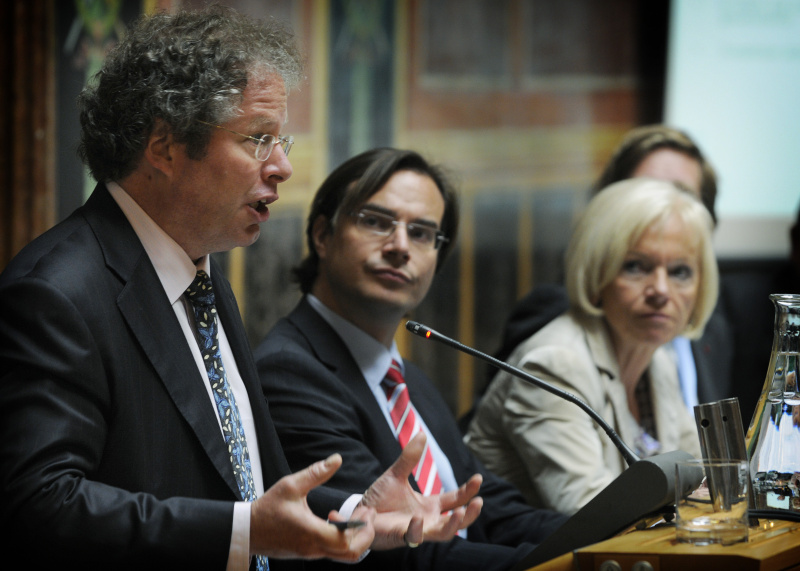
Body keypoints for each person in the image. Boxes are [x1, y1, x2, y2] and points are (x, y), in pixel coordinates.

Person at [0, 7, 483, 570]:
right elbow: (39, 503)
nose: (281, 167)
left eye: (282, 141)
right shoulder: (56, 294)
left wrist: (359, 511)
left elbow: (244, 477)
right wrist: (241, 532)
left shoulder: (201, 278)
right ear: (164, 145)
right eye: (258, 139)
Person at [253, 148, 568, 571]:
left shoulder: (407, 381)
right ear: (323, 236)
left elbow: (490, 509)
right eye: (376, 222)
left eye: (421, 233)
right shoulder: (290, 372)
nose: (400, 246)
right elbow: (402, 547)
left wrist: (615, 536)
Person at [466, 179, 714, 515]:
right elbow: (593, 513)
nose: (660, 289)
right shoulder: (554, 364)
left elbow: (705, 479)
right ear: (598, 273)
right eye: (636, 267)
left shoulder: (659, 360)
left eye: (680, 271)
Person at [485, 124, 737, 425]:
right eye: (643, 194)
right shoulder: (555, 320)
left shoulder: (712, 327)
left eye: (680, 195)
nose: (664, 211)